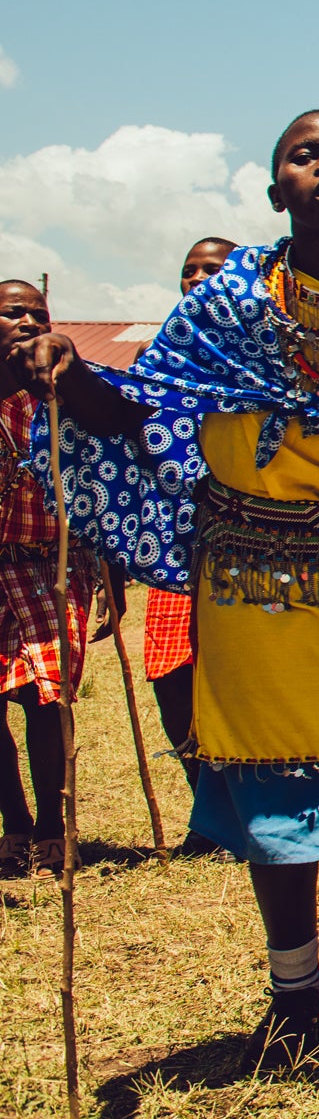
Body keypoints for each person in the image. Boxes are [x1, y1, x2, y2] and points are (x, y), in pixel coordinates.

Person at [27, 110, 319, 1079]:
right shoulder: (224, 304)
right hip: (247, 578)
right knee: (266, 781)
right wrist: (72, 380)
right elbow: (146, 407)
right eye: (305, 153)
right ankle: (292, 1000)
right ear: (274, 188)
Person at [131, 237, 235, 802]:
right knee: (172, 674)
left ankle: (249, 798)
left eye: (211, 270)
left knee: (246, 676)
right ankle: (207, 800)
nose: (196, 279)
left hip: (257, 538)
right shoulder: (159, 359)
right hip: (176, 543)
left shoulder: (265, 358)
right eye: (188, 271)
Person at [0, 279, 93, 882]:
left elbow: (101, 489)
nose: (30, 321)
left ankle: (54, 831)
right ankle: (15, 825)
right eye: (14, 313)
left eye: (39, 312)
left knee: (46, 694)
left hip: (52, 566)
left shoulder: (63, 394)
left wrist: (109, 578)